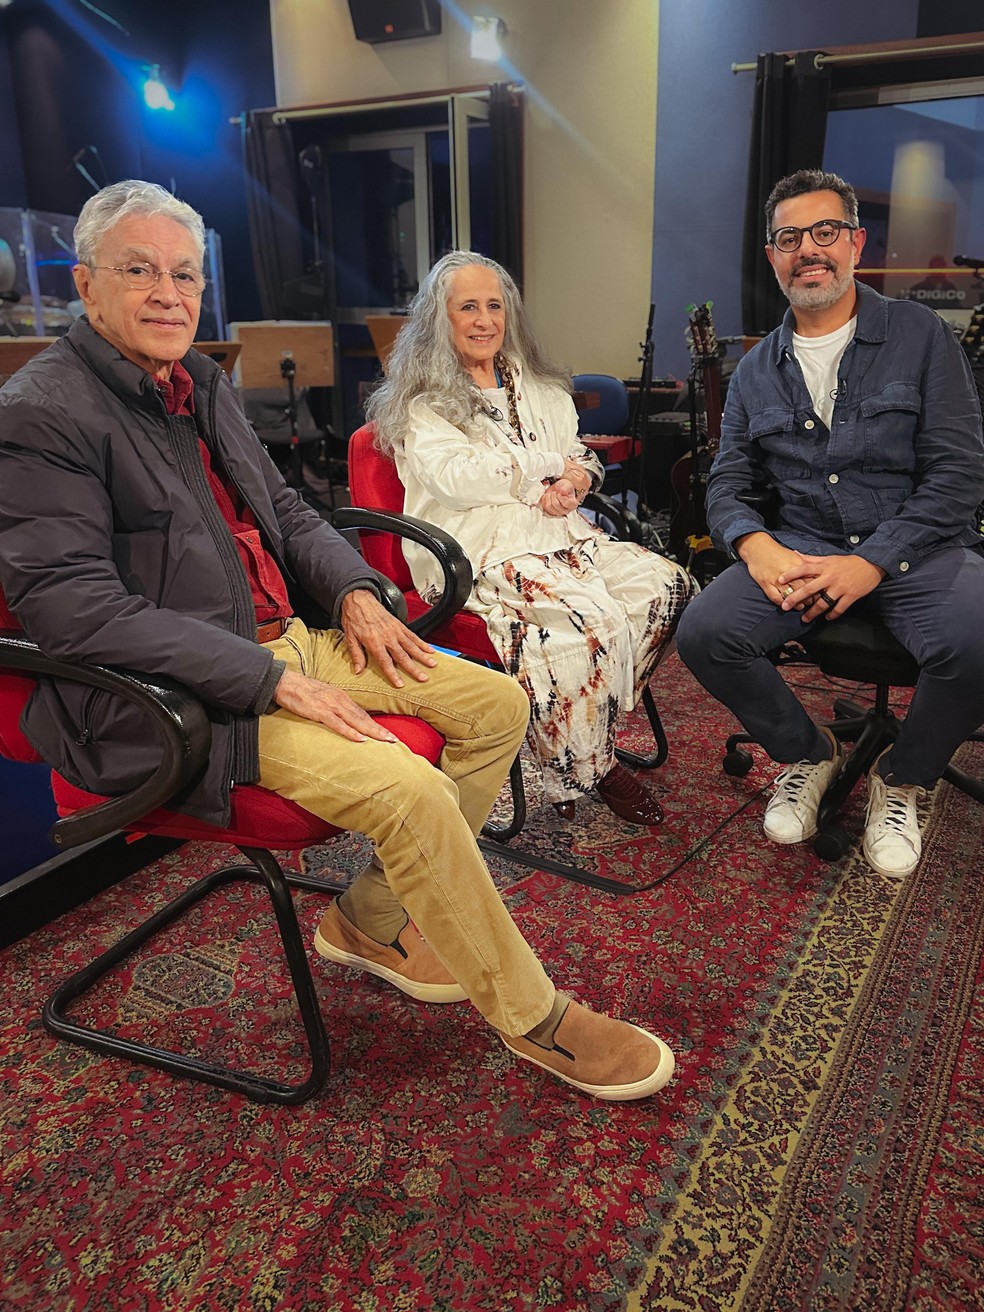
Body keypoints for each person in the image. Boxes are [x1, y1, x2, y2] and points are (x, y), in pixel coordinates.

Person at [0, 181, 675, 1102]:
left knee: (497, 702)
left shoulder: (196, 380)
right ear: (85, 283)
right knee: (411, 787)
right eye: (138, 271)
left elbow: (286, 509)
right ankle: (537, 1019)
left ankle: (365, 918)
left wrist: (357, 590)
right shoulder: (43, 409)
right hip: (183, 693)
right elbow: (70, 608)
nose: (167, 292)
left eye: (185, 273)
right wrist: (265, 680)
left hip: (284, 640)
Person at [676, 168, 984, 879]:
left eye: (824, 232)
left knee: (977, 640)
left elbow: (960, 476)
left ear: (855, 242)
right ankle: (807, 754)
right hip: (803, 545)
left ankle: (902, 779)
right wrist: (755, 546)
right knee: (705, 632)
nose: (808, 249)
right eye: (790, 238)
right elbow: (728, 481)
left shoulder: (921, 336)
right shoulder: (756, 369)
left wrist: (872, 562)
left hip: (919, 544)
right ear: (772, 255)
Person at [366, 250, 695, 826]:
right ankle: (589, 768)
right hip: (479, 548)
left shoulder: (539, 385)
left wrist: (575, 478)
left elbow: (578, 453)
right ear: (439, 318)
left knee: (668, 586)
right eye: (467, 307)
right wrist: (544, 471)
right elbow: (458, 477)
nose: (484, 319)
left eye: (495, 305)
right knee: (594, 618)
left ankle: (583, 728)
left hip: (560, 533)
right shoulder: (421, 401)